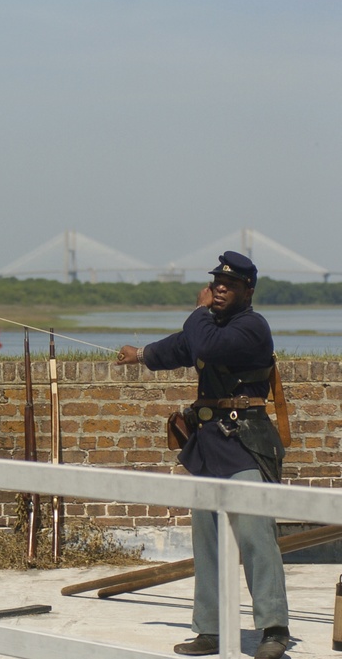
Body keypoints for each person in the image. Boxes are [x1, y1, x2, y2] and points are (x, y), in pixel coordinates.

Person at [116, 251, 289, 659]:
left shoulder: (251, 327)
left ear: (249, 290)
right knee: (207, 538)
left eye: (229, 285)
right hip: (209, 447)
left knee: (255, 537)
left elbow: (203, 342)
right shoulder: (209, 326)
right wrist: (139, 355)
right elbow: (179, 348)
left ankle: (274, 629)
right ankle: (210, 629)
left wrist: (197, 310)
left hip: (246, 444)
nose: (220, 289)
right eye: (216, 284)